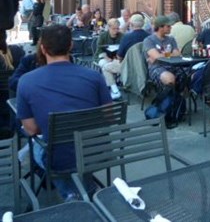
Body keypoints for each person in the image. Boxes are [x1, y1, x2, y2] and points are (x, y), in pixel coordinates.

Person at [16, 24, 111, 202]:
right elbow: (108, 116)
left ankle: (72, 194)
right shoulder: (94, 76)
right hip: (96, 151)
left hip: (58, 159)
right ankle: (83, 191)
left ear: (43, 48)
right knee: (68, 150)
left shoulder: (26, 81)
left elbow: (31, 129)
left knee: (36, 147)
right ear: (71, 45)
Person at [99, 14, 149, 99]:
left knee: (106, 68)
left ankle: (115, 91)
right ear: (143, 24)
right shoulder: (149, 36)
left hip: (129, 67)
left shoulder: (127, 37)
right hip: (146, 67)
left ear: (131, 24)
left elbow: (119, 57)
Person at [142, 15, 180, 86]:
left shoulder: (171, 39)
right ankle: (169, 93)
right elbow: (157, 57)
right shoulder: (149, 40)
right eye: (168, 26)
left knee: (189, 74)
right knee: (169, 78)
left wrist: (163, 55)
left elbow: (177, 54)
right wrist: (170, 55)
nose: (171, 28)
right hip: (157, 67)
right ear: (160, 27)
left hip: (174, 66)